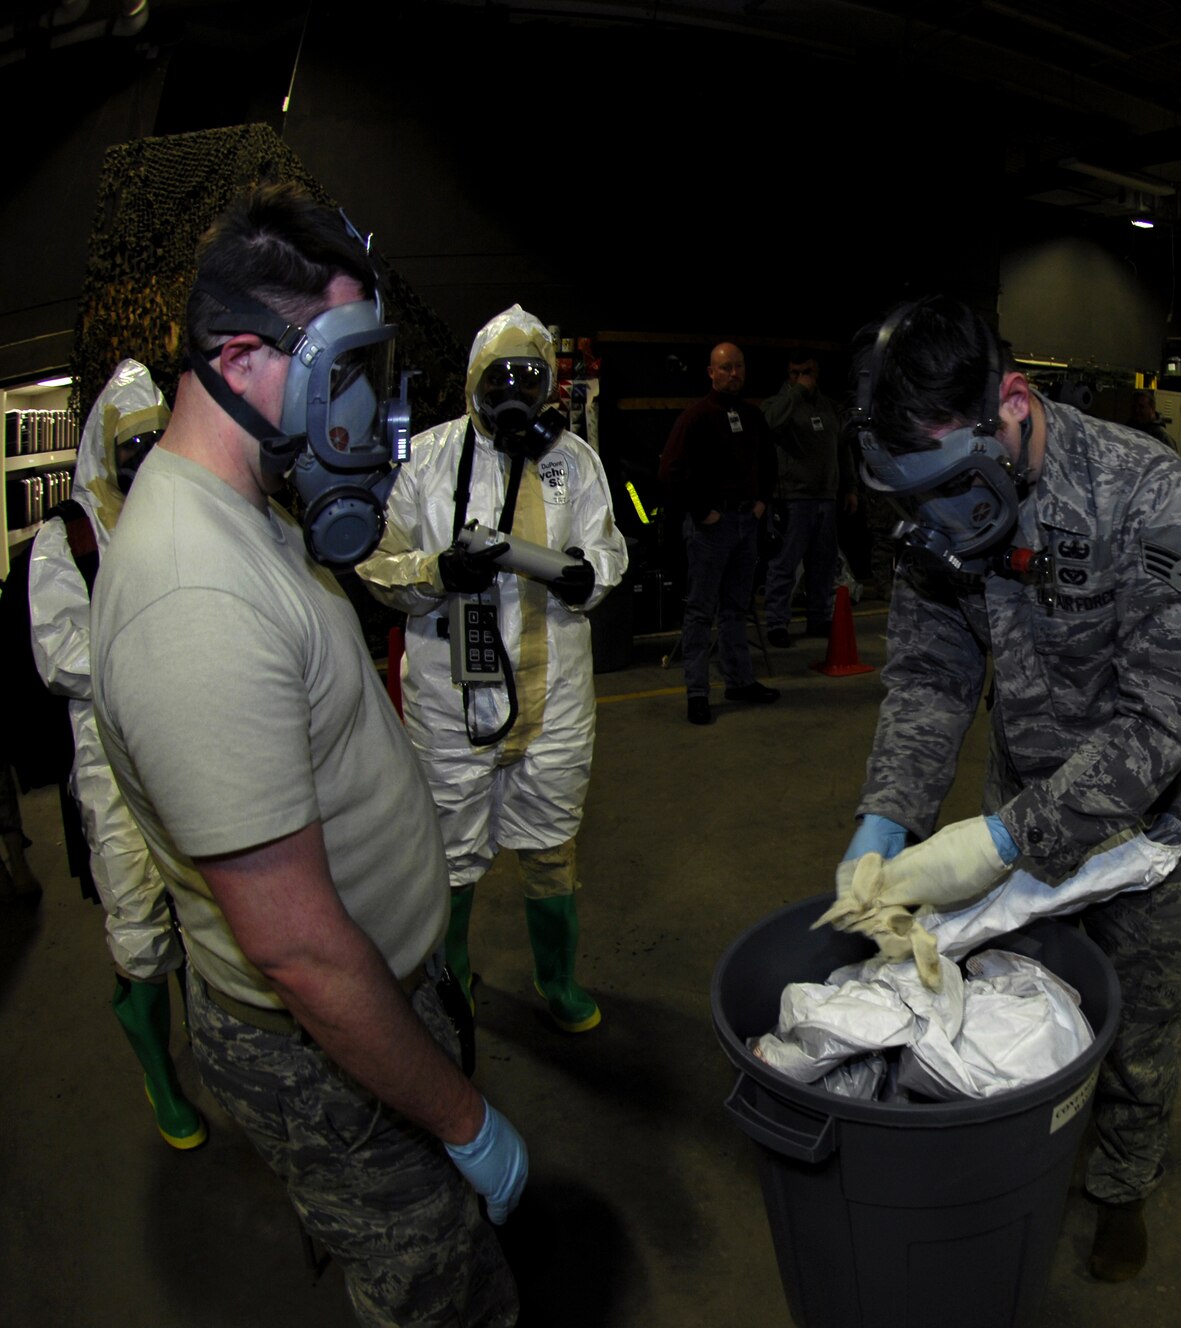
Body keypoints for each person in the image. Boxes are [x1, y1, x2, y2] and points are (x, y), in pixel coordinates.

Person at [90, 183, 524, 1326]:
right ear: (243, 355)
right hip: (321, 1039)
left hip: (381, 993)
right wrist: (468, 1121)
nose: (371, 404)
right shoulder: (193, 595)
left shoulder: (254, 507)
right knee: (431, 1285)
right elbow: (300, 954)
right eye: (351, 364)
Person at [832, 296, 1181, 1283]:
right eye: (906, 499)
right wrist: (887, 819)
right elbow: (928, 677)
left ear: (1008, 401)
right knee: (1021, 1002)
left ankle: (1121, 1183)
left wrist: (1002, 843)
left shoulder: (1147, 494)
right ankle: (1035, 1155)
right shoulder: (934, 514)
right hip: (1022, 785)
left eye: (946, 486)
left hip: (1146, 816)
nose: (928, 521)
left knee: (1136, 1016)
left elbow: (1162, 718)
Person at [358, 304, 629, 1035]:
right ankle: (454, 983)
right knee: (449, 856)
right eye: (499, 379)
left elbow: (608, 544)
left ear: (549, 388)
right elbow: (378, 565)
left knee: (551, 843)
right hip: (452, 703)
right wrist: (436, 569)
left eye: (528, 379)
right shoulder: (427, 459)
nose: (514, 394)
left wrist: (588, 577)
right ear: (473, 384)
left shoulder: (574, 461)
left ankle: (558, 980)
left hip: (558, 696)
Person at [27, 358, 208, 1149]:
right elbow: (60, 655)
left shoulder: (183, 512)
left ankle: (222, 1049)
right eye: (125, 447)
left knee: (209, 899)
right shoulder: (64, 539)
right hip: (109, 756)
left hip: (190, 741)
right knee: (138, 924)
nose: (139, 461)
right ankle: (160, 1081)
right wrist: (144, 650)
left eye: (151, 443)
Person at [658, 341, 780, 724]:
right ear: (711, 372)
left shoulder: (752, 416)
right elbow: (670, 473)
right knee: (700, 611)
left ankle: (739, 680)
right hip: (713, 528)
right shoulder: (696, 417)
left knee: (736, 609)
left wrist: (761, 502)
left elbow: (769, 464)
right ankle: (697, 692)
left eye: (738, 367)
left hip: (746, 524)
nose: (733, 374)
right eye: (725, 368)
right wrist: (703, 511)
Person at [761, 352, 856, 647]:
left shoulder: (829, 408)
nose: (800, 377)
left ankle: (819, 616)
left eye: (807, 372)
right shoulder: (780, 405)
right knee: (785, 564)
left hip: (825, 497)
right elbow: (769, 424)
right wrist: (798, 392)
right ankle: (777, 622)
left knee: (824, 564)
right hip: (793, 498)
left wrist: (850, 487)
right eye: (794, 372)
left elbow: (844, 449)